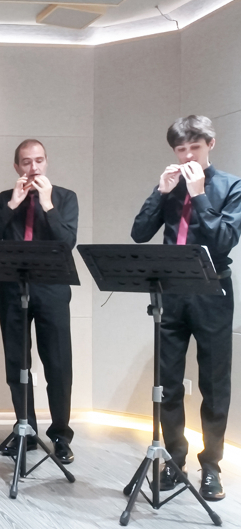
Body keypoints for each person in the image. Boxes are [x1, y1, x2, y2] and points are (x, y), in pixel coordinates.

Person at [131, 115, 241, 501]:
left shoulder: (231, 186)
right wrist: (161, 193)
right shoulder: (170, 185)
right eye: (181, 149)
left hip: (213, 291)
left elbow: (224, 240)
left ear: (211, 144)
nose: (188, 155)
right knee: (168, 383)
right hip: (170, 291)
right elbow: (139, 233)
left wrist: (199, 194)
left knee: (214, 383)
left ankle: (211, 466)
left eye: (195, 147)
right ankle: (174, 461)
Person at [0, 139, 78, 463]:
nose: (33, 167)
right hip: (12, 289)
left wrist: (47, 205)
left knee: (58, 365)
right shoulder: (4, 199)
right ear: (16, 167)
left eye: (38, 160)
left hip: (52, 290)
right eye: (26, 162)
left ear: (46, 162)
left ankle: (60, 436)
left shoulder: (65, 198)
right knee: (16, 364)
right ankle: (26, 430)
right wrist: (12, 204)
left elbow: (67, 241)